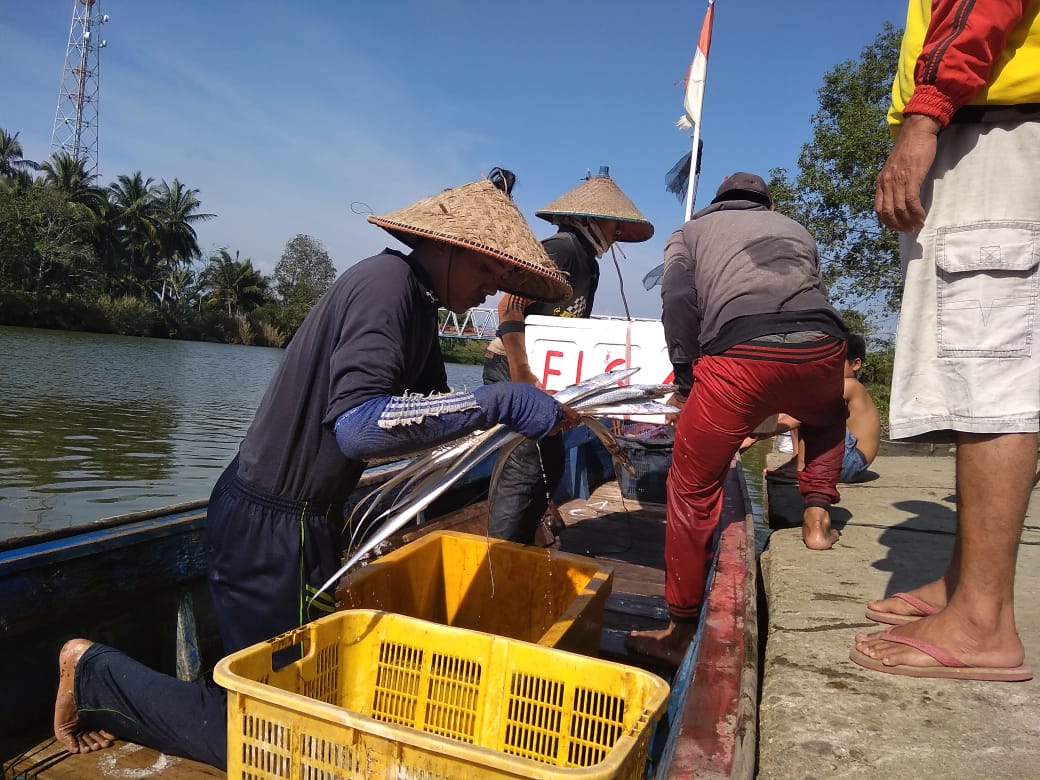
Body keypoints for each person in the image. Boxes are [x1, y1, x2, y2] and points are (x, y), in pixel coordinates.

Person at [53, 175, 586, 767]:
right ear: (449, 247)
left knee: (309, 698)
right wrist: (499, 403)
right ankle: (94, 674)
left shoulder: (417, 303)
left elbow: (424, 415)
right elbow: (360, 426)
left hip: (312, 522)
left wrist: (517, 409)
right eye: (490, 270)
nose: (494, 291)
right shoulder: (386, 287)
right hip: (269, 524)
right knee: (272, 738)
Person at [851, 0, 1038, 682]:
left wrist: (926, 109)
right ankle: (967, 588)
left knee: (989, 367)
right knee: (980, 359)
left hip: (999, 127)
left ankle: (982, 621)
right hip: (992, 123)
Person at [626, 172, 849, 667]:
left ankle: (680, 628)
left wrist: (687, 379)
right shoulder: (796, 229)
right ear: (766, 205)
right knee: (828, 418)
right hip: (822, 345)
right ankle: (817, 519)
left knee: (690, 489)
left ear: (715, 204)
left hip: (740, 357)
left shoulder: (688, 234)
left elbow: (679, 301)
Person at [482, 166, 653, 544]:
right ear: (590, 220)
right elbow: (510, 305)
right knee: (528, 459)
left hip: (542, 375)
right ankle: (501, 548)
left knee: (551, 459)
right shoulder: (562, 249)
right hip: (513, 365)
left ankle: (522, 540)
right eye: (612, 227)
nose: (616, 237)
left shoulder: (588, 264)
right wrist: (522, 374)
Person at [745, 333, 881, 483]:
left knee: (810, 409)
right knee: (802, 400)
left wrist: (755, 436)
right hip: (845, 459)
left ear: (855, 364)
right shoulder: (838, 387)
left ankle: (800, 467)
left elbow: (802, 415)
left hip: (852, 462)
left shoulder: (850, 386)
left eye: (835, 363)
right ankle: (796, 462)